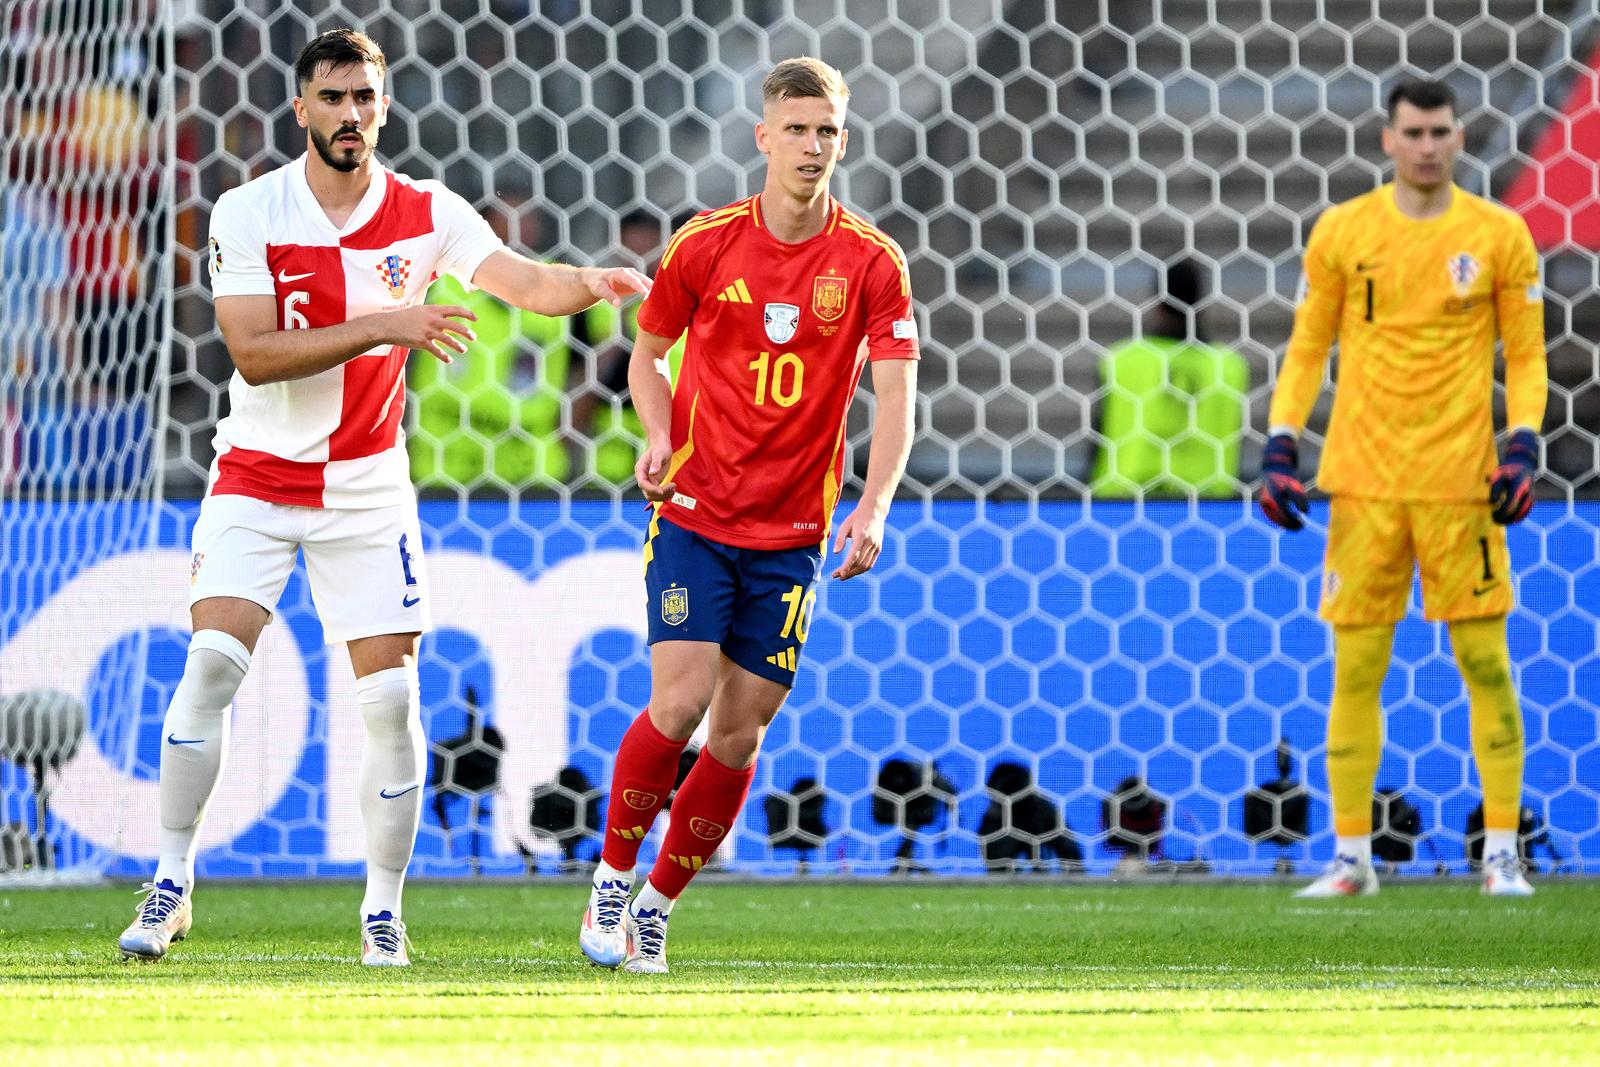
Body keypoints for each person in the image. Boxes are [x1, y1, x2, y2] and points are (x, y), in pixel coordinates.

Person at [116, 28, 649, 965]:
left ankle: (383, 909)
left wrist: (592, 283)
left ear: (385, 106)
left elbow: (524, 283)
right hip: (255, 474)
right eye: (333, 97)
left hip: (367, 489)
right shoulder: (250, 211)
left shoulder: (427, 211)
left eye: (365, 97)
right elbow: (250, 352)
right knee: (209, 667)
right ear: (302, 109)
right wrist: (387, 324)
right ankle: (170, 880)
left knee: (391, 704)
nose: (350, 114)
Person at [577, 56, 918, 973]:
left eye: (828, 132)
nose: (813, 146)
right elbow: (647, 357)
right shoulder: (704, 244)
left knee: (739, 730)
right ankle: (611, 878)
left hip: (793, 537)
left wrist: (875, 505)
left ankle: (656, 904)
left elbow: (896, 398)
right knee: (680, 701)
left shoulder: (873, 263)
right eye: (797, 129)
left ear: (844, 141)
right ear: (764, 137)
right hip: (693, 511)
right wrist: (654, 433)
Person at [1257, 77, 1547, 898]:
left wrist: (1521, 443)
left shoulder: (1499, 234)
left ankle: (1500, 855)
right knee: (1356, 670)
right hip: (1363, 483)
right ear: (1387, 140)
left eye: (1441, 132)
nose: (1428, 145)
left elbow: (1525, 355)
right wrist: (1282, 445)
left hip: (1463, 484)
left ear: (1459, 139)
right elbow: (1307, 345)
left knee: (1485, 666)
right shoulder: (1345, 231)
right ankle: (1351, 858)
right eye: (1413, 132)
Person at [1089, 258, 1248, 498]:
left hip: (1123, 504)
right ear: (1202, 301)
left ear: (1156, 300)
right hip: (1210, 506)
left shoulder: (1121, 359)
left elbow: (1098, 438)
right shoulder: (1230, 366)